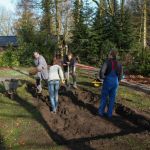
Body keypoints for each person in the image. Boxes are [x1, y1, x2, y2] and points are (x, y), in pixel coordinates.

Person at [98, 50, 123, 118]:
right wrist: (118, 81)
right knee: (112, 98)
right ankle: (109, 114)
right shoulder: (119, 64)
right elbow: (121, 74)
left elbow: (102, 71)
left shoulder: (107, 62)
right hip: (115, 82)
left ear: (111, 55)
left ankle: (100, 112)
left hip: (108, 81)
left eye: (109, 54)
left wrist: (102, 77)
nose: (108, 55)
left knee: (104, 97)